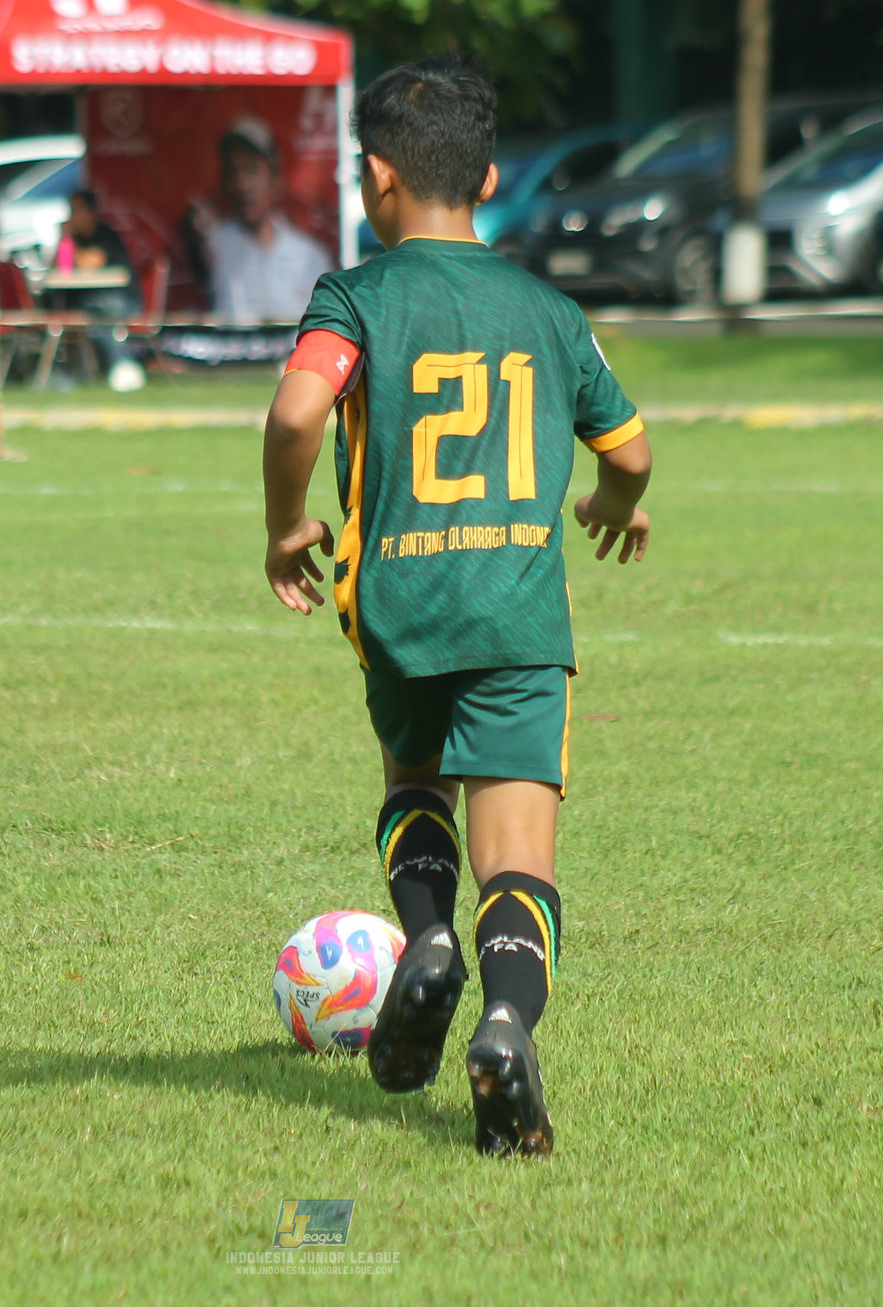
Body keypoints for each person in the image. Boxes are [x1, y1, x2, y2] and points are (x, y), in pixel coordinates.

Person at [260, 59, 652, 1158]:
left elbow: (297, 412)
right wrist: (611, 502)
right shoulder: (545, 308)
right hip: (519, 619)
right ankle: (504, 1020)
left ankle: (426, 940)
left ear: (375, 176)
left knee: (411, 785)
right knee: (518, 855)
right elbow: (629, 448)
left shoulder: (357, 297)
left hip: (399, 604)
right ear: (483, 175)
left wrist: (285, 525)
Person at [191, 115, 333, 329]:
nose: (242, 184)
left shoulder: (309, 256)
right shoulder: (213, 246)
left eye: (252, 170)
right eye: (234, 172)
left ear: (275, 180)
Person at [52, 189, 145, 391]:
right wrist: (63, 241)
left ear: (91, 212)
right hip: (89, 303)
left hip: (122, 302)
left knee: (105, 315)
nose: (72, 217)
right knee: (96, 316)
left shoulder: (106, 235)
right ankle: (118, 369)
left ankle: (121, 368)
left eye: (76, 210)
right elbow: (59, 268)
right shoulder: (74, 240)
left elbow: (89, 264)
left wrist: (69, 238)